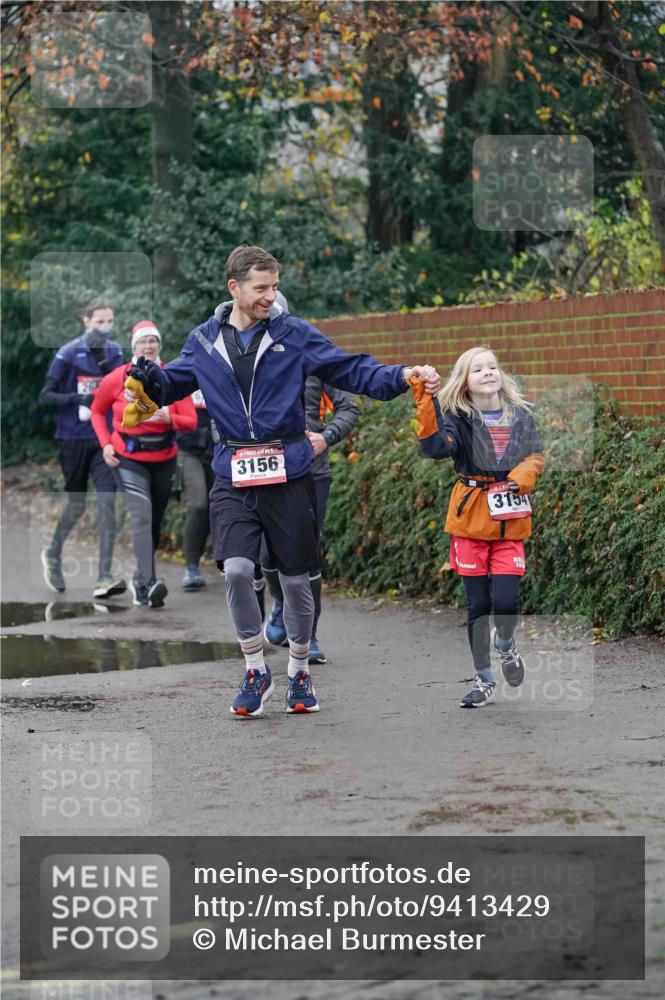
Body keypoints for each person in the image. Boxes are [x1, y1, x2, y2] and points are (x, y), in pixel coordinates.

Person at [123, 244, 441, 717]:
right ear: (234, 289)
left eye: (274, 286)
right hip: (232, 473)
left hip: (289, 471)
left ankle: (298, 671)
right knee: (235, 570)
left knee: (295, 582)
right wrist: (149, 382)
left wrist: (403, 375)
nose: (271, 296)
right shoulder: (204, 340)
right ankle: (255, 668)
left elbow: (348, 368)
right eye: (261, 288)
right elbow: (174, 384)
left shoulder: (294, 334)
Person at [410, 345, 544, 708]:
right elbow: (436, 447)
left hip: (509, 523)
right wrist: (426, 403)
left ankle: (505, 644)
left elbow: (535, 454)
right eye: (477, 369)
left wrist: (522, 476)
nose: (488, 372)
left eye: (492, 367)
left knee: (505, 601)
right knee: (478, 604)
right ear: (465, 383)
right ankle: (483, 679)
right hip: (470, 522)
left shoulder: (520, 415)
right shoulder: (456, 416)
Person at [262, 293, 360, 664]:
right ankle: (279, 603)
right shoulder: (245, 360)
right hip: (265, 466)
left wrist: (325, 437)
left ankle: (310, 634)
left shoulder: (311, 353)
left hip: (311, 468)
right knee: (267, 552)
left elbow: (349, 407)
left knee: (308, 551)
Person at [91, 320, 197, 607]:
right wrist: (106, 444)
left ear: (159, 346)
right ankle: (150, 582)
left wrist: (169, 418)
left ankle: (140, 583)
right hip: (128, 459)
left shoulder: (171, 377)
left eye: (153, 341)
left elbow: (191, 421)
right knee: (141, 516)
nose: (148, 347)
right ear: (134, 347)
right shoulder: (118, 378)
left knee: (153, 522)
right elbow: (97, 413)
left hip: (164, 458)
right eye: (143, 342)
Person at [38, 297, 127, 598]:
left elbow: (122, 392)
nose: (105, 326)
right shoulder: (68, 353)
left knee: (107, 504)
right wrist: (79, 399)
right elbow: (45, 397)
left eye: (109, 321)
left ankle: (104, 576)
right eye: (99, 321)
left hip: (104, 440)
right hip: (72, 439)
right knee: (76, 504)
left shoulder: (115, 352)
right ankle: (52, 553)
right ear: (86, 321)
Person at [177, 384, 215, 591]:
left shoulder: (226, 364)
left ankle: (234, 563)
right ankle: (191, 566)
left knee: (220, 507)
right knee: (199, 504)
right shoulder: (186, 368)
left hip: (222, 448)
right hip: (189, 450)